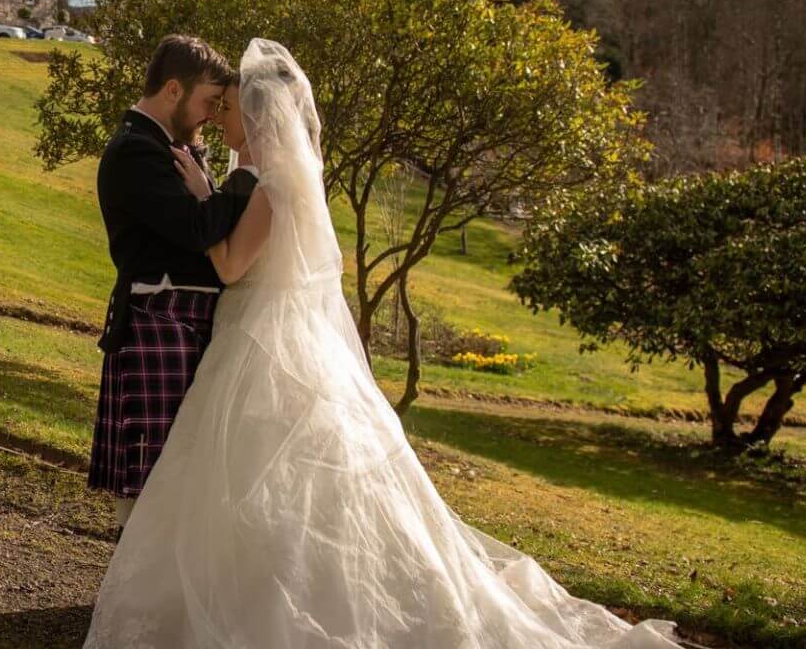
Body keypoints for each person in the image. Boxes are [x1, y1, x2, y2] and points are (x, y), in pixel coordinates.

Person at [84, 38, 683, 648]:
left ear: (259, 117)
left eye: (230, 108)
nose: (220, 118)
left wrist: (204, 197)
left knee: (258, 482)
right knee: (253, 486)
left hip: (258, 343)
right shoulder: (264, 175)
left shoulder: (264, 182)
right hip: (251, 338)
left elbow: (232, 267)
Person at [88, 34, 257, 529]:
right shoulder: (135, 153)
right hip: (158, 322)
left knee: (181, 472)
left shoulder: (171, 148)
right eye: (209, 102)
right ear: (173, 90)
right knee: (152, 475)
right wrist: (246, 179)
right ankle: (132, 594)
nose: (211, 114)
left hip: (185, 324)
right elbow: (196, 229)